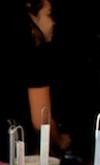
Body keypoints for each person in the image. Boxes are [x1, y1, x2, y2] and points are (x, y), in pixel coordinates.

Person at [23, 0, 70, 150]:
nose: (53, 22)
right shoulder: (35, 57)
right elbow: (41, 120)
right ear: (32, 16)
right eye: (48, 15)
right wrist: (60, 140)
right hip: (20, 157)